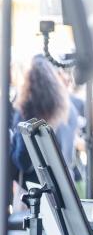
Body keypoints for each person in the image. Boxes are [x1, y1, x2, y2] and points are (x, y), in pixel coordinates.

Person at [8, 55, 74, 186]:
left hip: (35, 190)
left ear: (29, 81)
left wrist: (11, 142)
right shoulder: (66, 109)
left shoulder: (28, 110)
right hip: (62, 185)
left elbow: (23, 161)